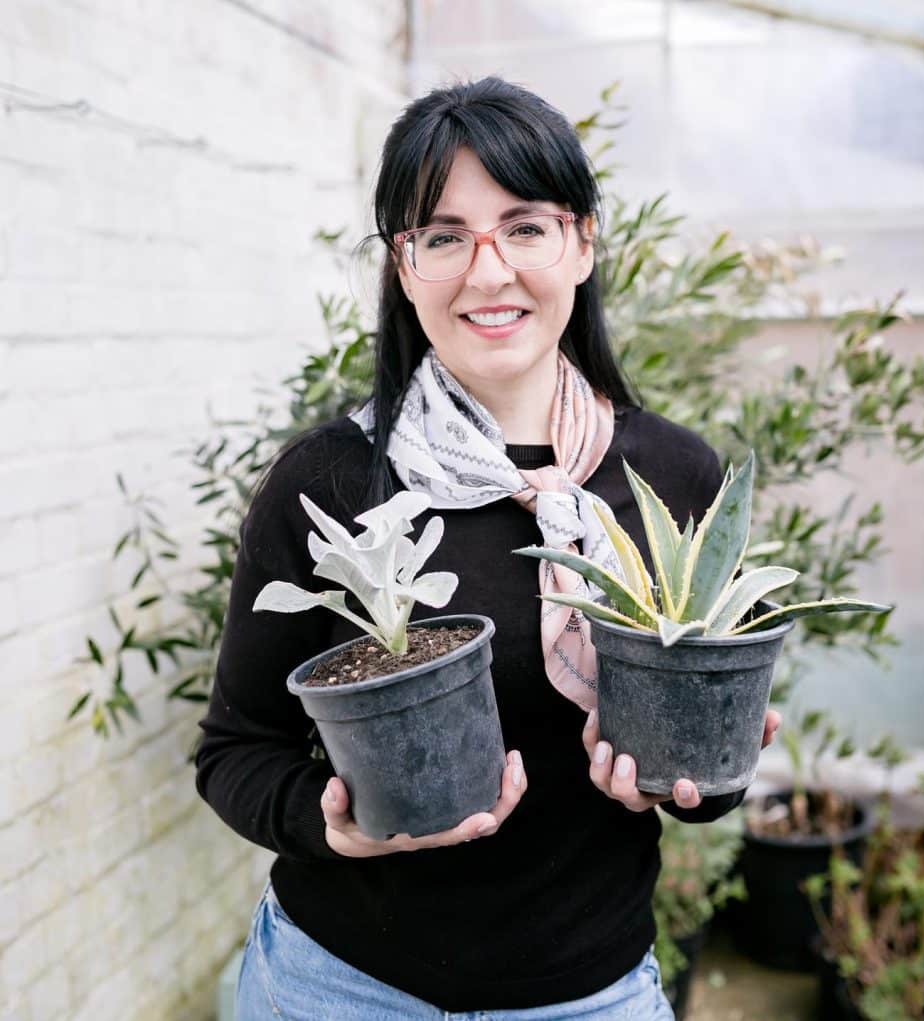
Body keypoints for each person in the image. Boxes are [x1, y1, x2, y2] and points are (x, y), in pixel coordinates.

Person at [195, 76, 780, 1020]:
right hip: (336, 986)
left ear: (582, 242)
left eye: (525, 226)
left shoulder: (669, 475)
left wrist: (702, 778)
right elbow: (236, 749)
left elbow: (704, 769)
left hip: (588, 995)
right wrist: (335, 827)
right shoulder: (332, 481)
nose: (488, 270)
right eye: (443, 236)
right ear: (404, 263)